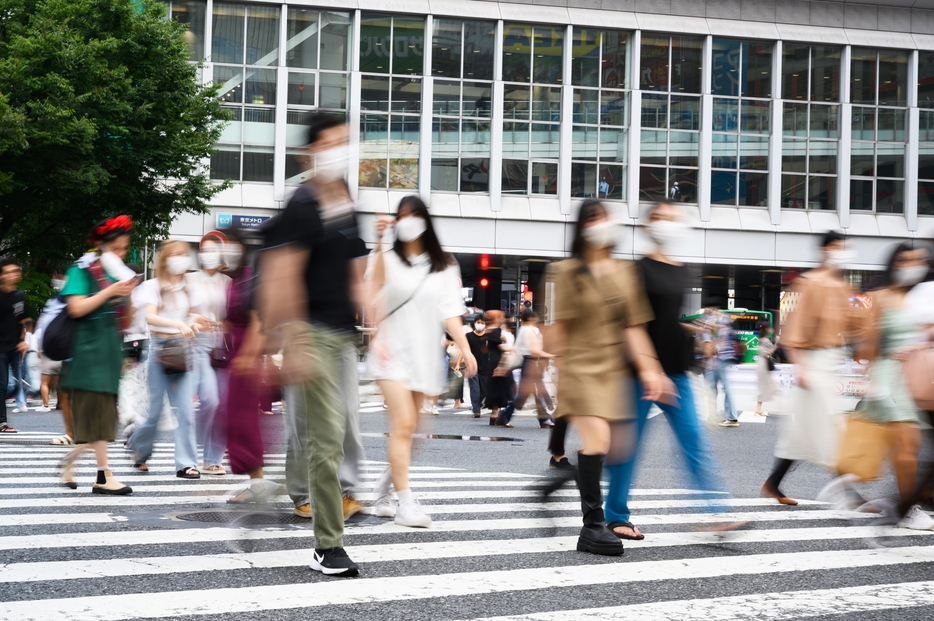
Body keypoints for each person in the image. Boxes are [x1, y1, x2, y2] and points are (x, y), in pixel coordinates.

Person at [259, 112, 369, 577]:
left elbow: (356, 275)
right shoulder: (303, 203)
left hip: (343, 337)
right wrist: (288, 338)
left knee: (342, 432)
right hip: (312, 332)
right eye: (332, 142)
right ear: (310, 153)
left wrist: (376, 324)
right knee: (326, 439)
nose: (341, 149)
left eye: (346, 141)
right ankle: (329, 544)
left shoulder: (346, 203)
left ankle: (309, 504)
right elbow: (282, 274)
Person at [547, 199, 672, 556]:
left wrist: (652, 369)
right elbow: (560, 330)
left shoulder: (623, 272)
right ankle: (593, 526)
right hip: (581, 367)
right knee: (599, 441)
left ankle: (554, 486)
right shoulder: (567, 272)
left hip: (613, 370)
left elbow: (634, 328)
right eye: (594, 219)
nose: (601, 224)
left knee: (618, 448)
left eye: (605, 218)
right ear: (583, 228)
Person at [604, 201, 733, 541]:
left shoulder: (682, 268)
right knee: (628, 447)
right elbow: (633, 323)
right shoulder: (637, 269)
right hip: (639, 372)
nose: (667, 224)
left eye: (673, 218)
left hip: (676, 372)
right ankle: (615, 515)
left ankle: (716, 514)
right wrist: (651, 370)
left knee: (694, 440)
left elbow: (667, 320)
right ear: (647, 226)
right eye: (659, 218)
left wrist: (695, 330)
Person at [367, 195, 477, 528]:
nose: (407, 220)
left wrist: (466, 349)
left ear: (425, 220)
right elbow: (372, 294)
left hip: (424, 355)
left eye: (414, 214)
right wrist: (380, 239)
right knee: (402, 425)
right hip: (390, 351)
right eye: (402, 215)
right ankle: (405, 503)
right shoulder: (387, 256)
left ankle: (384, 490)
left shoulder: (444, 263)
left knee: (415, 436)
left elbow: (450, 312)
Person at [819, 243, 934, 530]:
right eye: (906, 260)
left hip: (911, 377)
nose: (913, 266)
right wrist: (874, 371)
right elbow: (869, 343)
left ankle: (846, 482)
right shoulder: (880, 297)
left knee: (894, 446)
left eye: (917, 261)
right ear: (895, 264)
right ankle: (908, 508)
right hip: (888, 374)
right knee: (909, 442)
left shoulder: (919, 297)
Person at [761, 231, 864, 505]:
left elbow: (854, 326)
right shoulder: (808, 283)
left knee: (803, 433)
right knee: (833, 426)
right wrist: (799, 365)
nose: (844, 252)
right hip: (812, 363)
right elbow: (793, 328)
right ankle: (850, 494)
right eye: (839, 247)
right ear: (825, 250)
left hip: (831, 361)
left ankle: (773, 484)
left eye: (846, 247)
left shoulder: (843, 287)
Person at [57, 216, 137, 493]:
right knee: (99, 420)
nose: (121, 254)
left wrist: (128, 295)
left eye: (125, 248)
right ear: (102, 246)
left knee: (101, 419)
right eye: (116, 248)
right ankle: (103, 476)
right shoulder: (81, 270)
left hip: (109, 353)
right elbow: (76, 308)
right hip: (86, 355)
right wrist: (111, 292)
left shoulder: (119, 274)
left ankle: (74, 462)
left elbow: (127, 317)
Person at [128, 240, 207, 479]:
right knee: (154, 414)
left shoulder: (188, 287)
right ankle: (139, 449)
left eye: (184, 254)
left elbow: (192, 315)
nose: (181, 258)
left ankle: (186, 463)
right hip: (159, 351)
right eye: (176, 254)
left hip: (183, 351)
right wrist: (179, 324)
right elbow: (150, 318)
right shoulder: (152, 286)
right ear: (165, 259)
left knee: (186, 411)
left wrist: (198, 321)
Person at [187, 233, 231, 476]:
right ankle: (188, 455)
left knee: (222, 405)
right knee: (209, 401)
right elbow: (181, 310)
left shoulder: (228, 282)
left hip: (223, 347)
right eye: (205, 249)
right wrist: (194, 318)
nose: (209, 254)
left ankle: (213, 458)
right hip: (197, 344)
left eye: (215, 250)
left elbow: (233, 314)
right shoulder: (190, 279)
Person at [495, 309, 555, 428]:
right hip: (530, 364)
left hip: (530, 363)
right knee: (526, 394)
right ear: (530, 319)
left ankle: (544, 419)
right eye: (535, 318)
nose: (537, 320)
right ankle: (504, 416)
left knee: (530, 393)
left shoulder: (525, 330)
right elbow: (533, 350)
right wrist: (550, 356)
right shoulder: (529, 331)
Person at [0, 257, 30, 431]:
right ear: (1, 275)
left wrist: (24, 340)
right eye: (7, 272)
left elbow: (24, 320)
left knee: (19, 385)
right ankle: (2, 422)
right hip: (0, 349)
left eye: (14, 271)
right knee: (4, 385)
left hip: (15, 348)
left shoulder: (19, 296)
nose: (11, 275)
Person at [703, 297, 740, 427]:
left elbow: (711, 342)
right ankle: (725, 416)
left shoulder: (712, 320)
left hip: (717, 359)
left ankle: (728, 417)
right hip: (723, 358)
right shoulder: (725, 317)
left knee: (713, 387)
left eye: (706, 308)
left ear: (710, 307)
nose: (705, 310)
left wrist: (710, 359)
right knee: (721, 387)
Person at [465, 314, 491, 418]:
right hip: (472, 365)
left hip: (486, 365)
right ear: (474, 323)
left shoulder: (488, 336)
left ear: (485, 325)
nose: (480, 324)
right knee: (475, 388)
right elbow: (464, 350)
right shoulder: (468, 336)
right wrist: (459, 363)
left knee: (484, 389)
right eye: (478, 322)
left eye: (482, 323)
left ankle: (478, 404)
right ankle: (476, 409)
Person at [754, 324, 779, 417]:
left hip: (761, 364)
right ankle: (777, 407)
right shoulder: (765, 340)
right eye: (769, 327)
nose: (770, 329)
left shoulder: (761, 339)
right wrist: (775, 347)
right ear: (766, 329)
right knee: (772, 386)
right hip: (763, 365)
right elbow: (765, 353)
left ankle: (758, 409)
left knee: (765, 387)